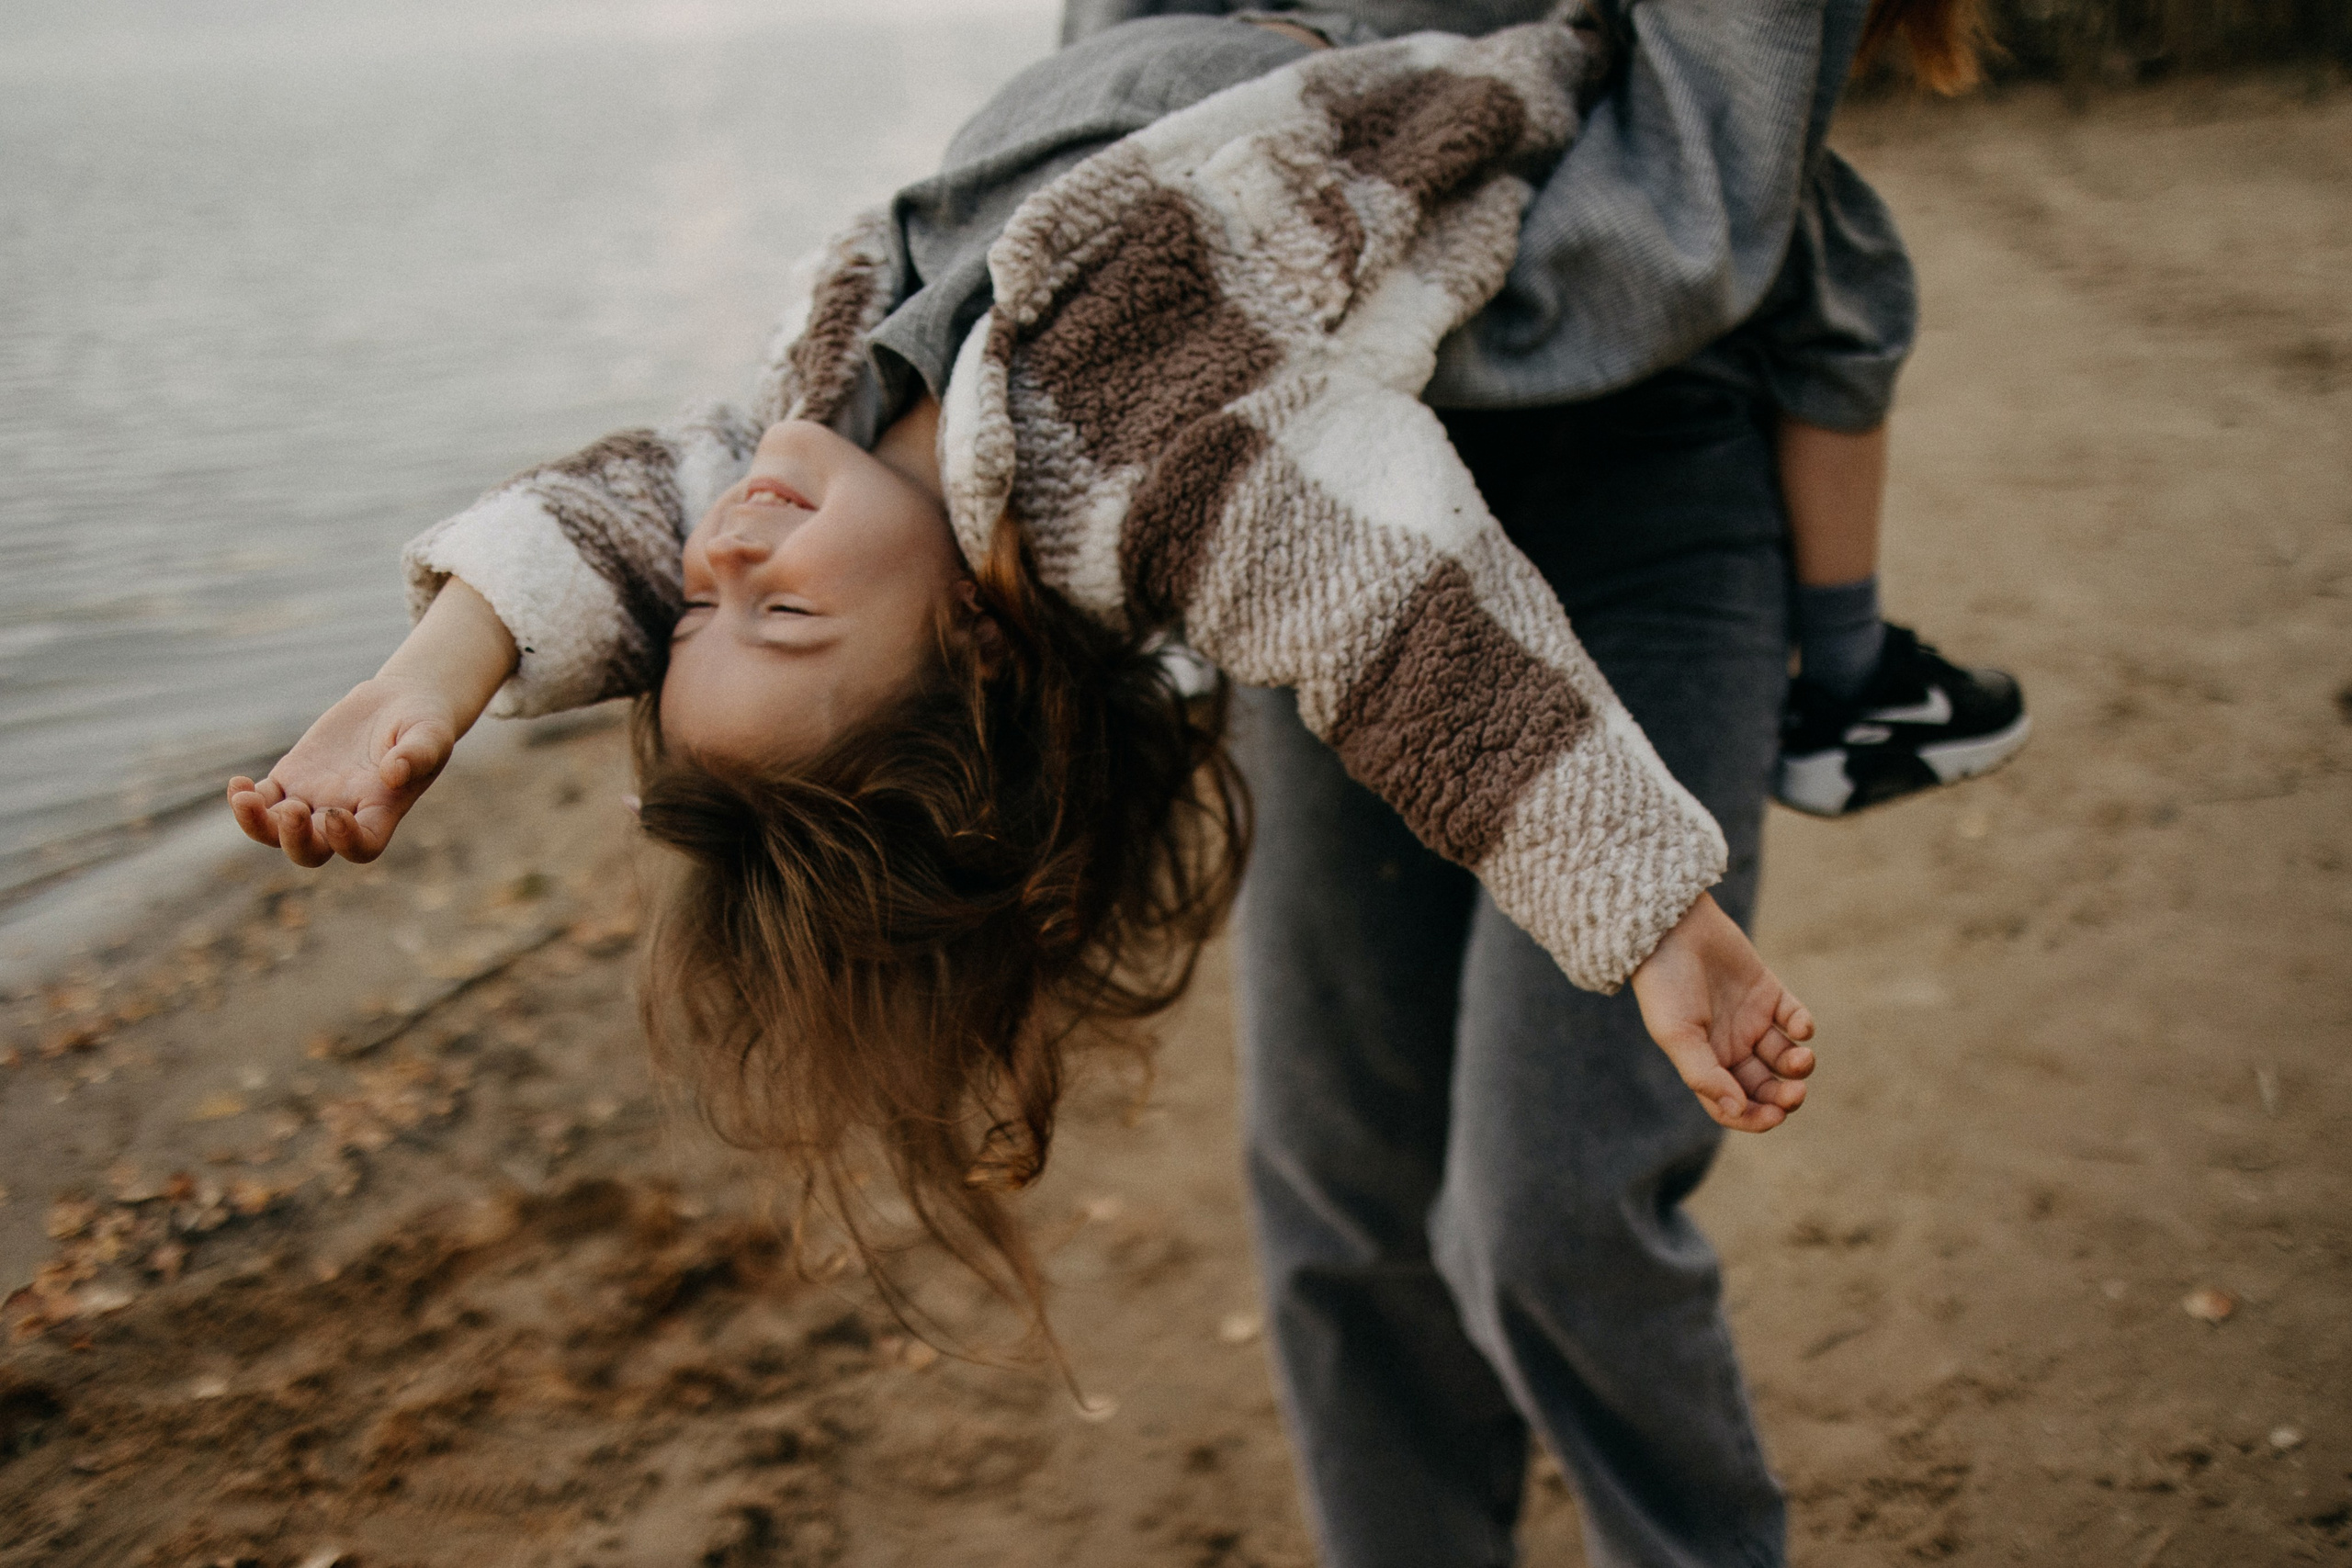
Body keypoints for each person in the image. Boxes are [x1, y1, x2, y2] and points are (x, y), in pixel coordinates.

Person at [226, 7, 1815, 1360]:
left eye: (695, 615)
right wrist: (1649, 915)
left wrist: (419, 684)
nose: (724, 561)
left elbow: (626, 519)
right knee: (1367, 1189)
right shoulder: (1150, 485)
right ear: (977, 649)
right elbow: (1406, 635)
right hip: (1446, 82)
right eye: (779, 620)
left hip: (1172, 40)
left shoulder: (815, 418)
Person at [1038, 2, 2013, 1565]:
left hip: (1639, 499)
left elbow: (1692, 221)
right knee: (1341, 1199)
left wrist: (1314, 278)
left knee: (1545, 1214)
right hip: (1308, 513)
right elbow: (1101, 96)